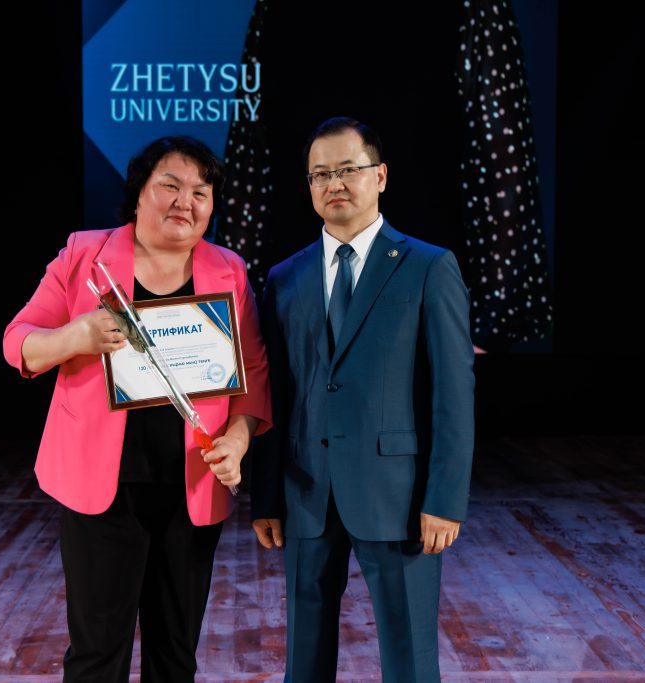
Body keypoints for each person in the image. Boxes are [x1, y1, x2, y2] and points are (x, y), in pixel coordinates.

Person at [3, 135, 271, 683]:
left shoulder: (229, 269)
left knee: (175, 655)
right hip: (101, 490)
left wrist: (239, 438)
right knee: (98, 655)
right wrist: (73, 337)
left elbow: (253, 373)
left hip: (191, 487)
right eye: (170, 185)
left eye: (201, 192)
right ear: (140, 192)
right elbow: (17, 342)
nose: (185, 201)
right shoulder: (85, 255)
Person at [251, 117, 474, 682]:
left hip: (398, 497)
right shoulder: (285, 278)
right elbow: (276, 392)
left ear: (380, 175)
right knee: (303, 660)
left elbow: (453, 393)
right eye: (320, 174)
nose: (335, 184)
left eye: (348, 169)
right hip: (306, 491)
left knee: (410, 659)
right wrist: (266, 495)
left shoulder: (428, 267)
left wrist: (445, 497)